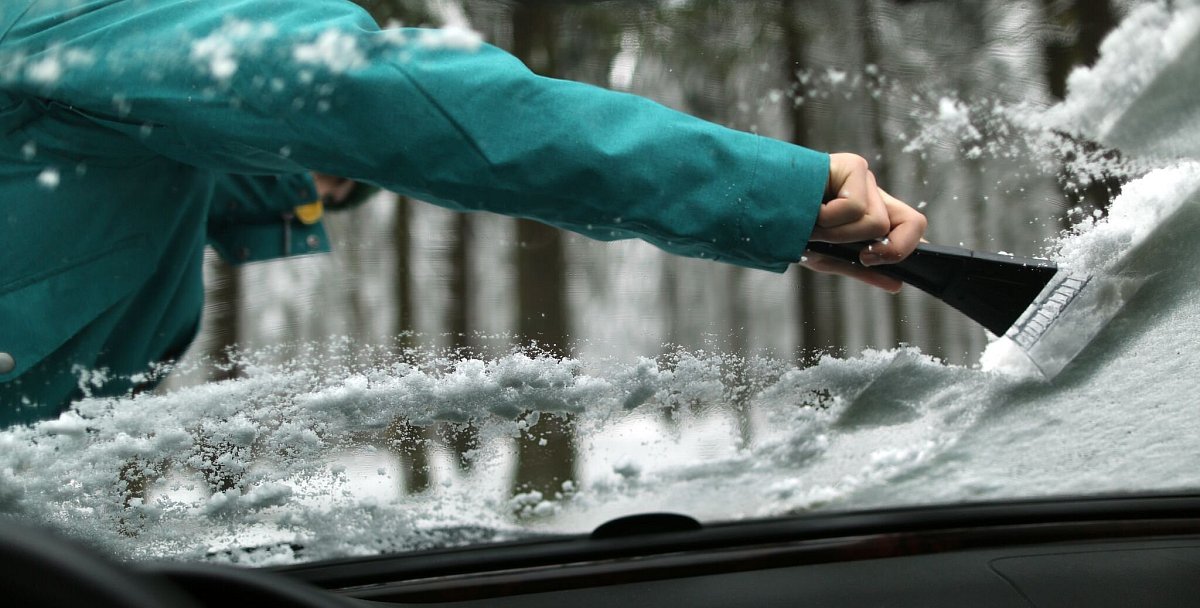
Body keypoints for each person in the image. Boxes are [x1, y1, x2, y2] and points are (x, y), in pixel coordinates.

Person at [0, 0, 925, 426]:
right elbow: (378, 93)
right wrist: (774, 188)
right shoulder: (79, 19)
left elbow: (108, 178)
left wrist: (323, 176)